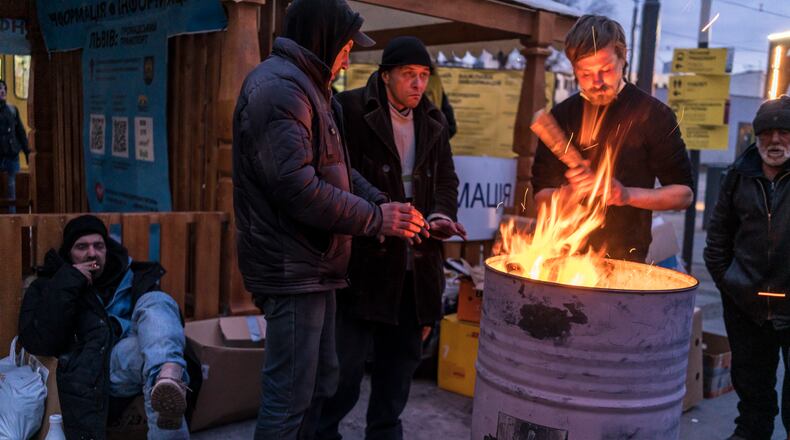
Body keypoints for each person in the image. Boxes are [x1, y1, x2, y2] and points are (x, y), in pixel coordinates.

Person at [231, 1, 429, 438]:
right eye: (344, 47)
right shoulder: (279, 90)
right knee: (289, 398)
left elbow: (336, 169)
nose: (347, 57)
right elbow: (297, 189)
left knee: (321, 385)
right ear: (323, 40)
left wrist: (382, 202)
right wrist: (376, 219)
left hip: (317, 265)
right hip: (292, 268)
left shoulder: (309, 87)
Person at [317, 36, 465, 440]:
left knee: (398, 373)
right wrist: (379, 209)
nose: (418, 84)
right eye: (408, 75)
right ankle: (320, 434)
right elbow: (337, 171)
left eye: (423, 76)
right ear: (385, 77)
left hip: (416, 266)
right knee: (342, 374)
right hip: (362, 263)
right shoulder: (348, 109)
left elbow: (447, 181)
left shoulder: (433, 121)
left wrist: (440, 216)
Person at [531, 15, 694, 262]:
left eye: (605, 70)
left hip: (625, 258)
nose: (596, 82)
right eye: (585, 74)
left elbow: (683, 195)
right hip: (562, 256)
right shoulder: (561, 117)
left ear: (623, 57)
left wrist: (626, 195)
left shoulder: (654, 116)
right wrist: (569, 194)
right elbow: (540, 196)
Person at [18, 215, 190, 439]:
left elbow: (169, 324)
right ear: (69, 253)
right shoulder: (51, 285)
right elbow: (41, 340)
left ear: (107, 250)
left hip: (141, 355)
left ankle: (168, 374)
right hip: (98, 366)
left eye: (98, 246)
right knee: (150, 359)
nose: (92, 253)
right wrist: (70, 280)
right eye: (82, 247)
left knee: (156, 301)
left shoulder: (133, 277)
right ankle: (168, 372)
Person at [704, 95, 790, 440]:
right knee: (753, 394)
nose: (775, 140)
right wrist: (731, 284)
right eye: (767, 132)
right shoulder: (737, 176)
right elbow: (717, 241)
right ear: (756, 137)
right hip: (747, 306)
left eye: (784, 132)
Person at [0, 79, 30, 213]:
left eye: (4, 89)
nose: (2, 91)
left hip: (12, 156)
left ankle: (12, 221)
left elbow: (21, 133)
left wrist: (27, 152)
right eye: (0, 89)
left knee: (13, 191)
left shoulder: (12, 110)